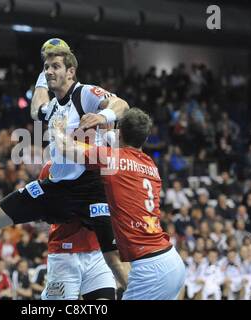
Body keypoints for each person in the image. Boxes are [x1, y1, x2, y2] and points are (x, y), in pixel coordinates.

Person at [0, 43, 129, 295]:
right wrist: (42, 77)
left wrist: (104, 117)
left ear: (71, 72)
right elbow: (37, 109)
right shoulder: (55, 106)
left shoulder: (84, 94)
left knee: (116, 263)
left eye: (56, 67)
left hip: (90, 191)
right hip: (56, 190)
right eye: (46, 67)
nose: (50, 71)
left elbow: (122, 104)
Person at [53, 107, 186, 299]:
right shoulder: (151, 165)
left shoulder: (111, 159)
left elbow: (65, 148)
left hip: (149, 268)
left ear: (120, 132)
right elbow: (124, 145)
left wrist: (58, 128)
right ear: (146, 139)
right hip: (172, 261)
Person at [39, 162, 117, 300]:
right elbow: (43, 207)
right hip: (63, 255)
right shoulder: (52, 166)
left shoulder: (105, 165)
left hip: (97, 254)